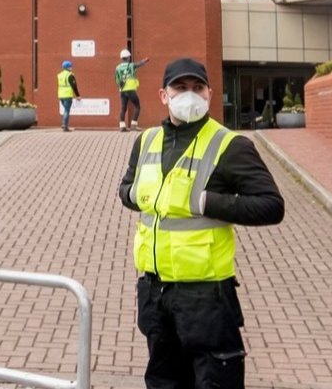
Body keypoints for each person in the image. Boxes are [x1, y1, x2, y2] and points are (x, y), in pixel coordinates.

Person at [118, 58, 285, 389]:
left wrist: (207, 202)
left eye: (197, 88)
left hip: (206, 297)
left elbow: (271, 206)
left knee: (214, 382)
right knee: (163, 381)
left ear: (209, 94)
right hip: (155, 291)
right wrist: (139, 196)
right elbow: (126, 189)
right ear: (164, 96)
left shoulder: (230, 145)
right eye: (180, 88)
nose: (189, 95)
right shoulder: (146, 141)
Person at [115, 48, 150, 132]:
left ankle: (122, 126)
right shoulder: (131, 65)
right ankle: (134, 125)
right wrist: (145, 60)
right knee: (137, 106)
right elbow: (139, 64)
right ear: (128, 57)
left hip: (122, 90)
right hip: (130, 89)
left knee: (123, 108)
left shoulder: (117, 67)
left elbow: (116, 79)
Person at [57, 59, 81, 132]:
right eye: (71, 66)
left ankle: (64, 124)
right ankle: (65, 125)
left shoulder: (59, 75)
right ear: (69, 67)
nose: (71, 68)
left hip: (60, 95)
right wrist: (78, 95)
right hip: (67, 95)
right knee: (67, 110)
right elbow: (74, 86)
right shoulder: (70, 75)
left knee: (65, 110)